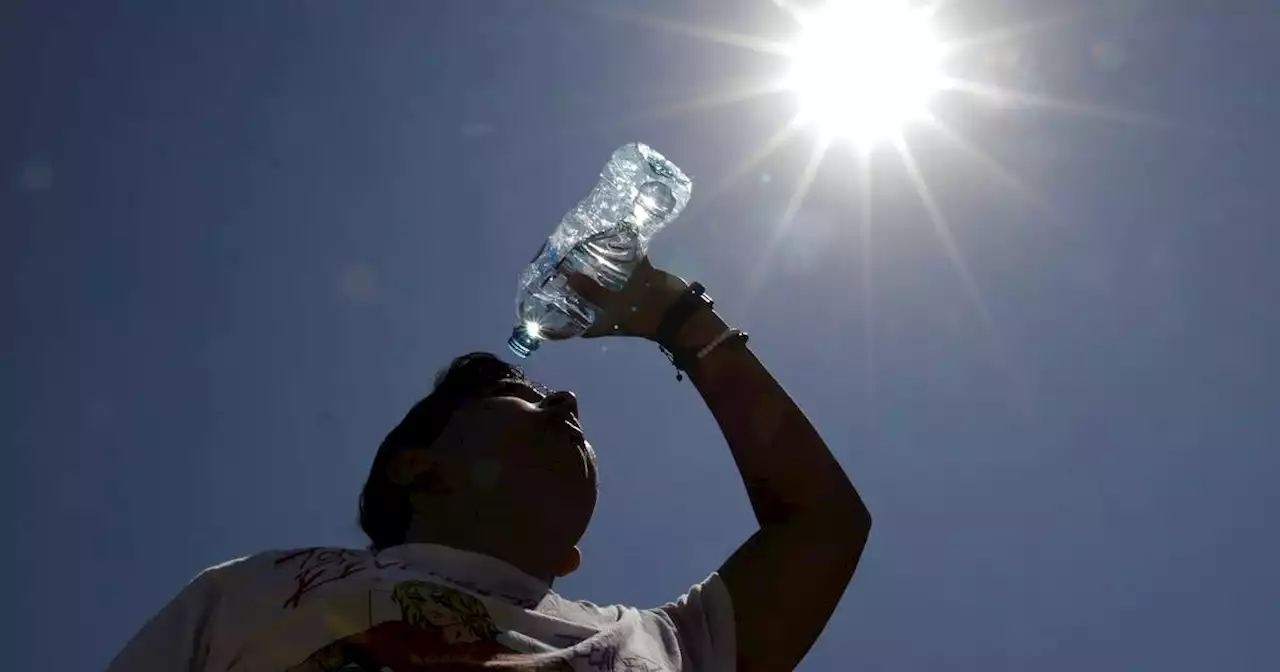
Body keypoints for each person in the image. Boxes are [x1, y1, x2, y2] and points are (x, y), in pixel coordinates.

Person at [108, 259, 872, 671]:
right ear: (418, 467)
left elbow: (824, 524)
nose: (567, 397)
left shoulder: (667, 645)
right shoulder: (253, 588)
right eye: (515, 392)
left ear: (568, 557)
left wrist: (680, 320)